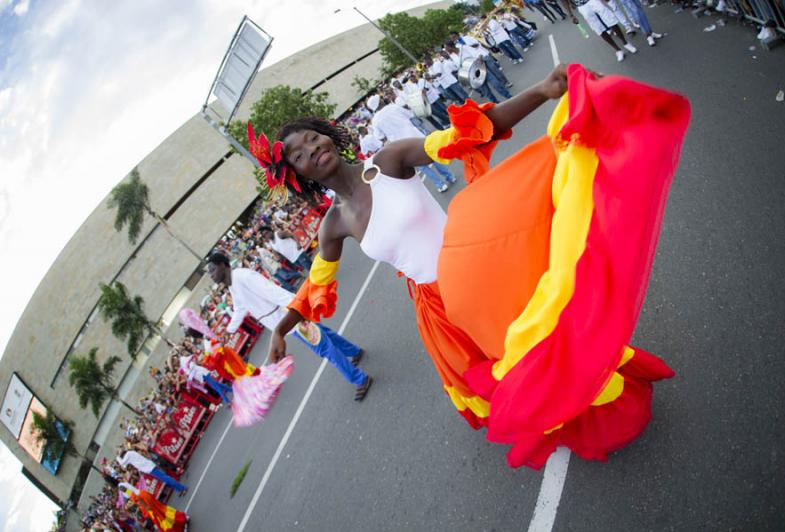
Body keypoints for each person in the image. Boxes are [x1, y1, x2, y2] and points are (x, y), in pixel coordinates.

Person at [254, 63, 690, 470]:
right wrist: (281, 327)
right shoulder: (333, 225)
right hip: (438, 309)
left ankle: (602, 413)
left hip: (479, 267)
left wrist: (542, 90)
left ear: (328, 135)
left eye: (313, 138)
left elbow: (470, 134)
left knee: (542, 348)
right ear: (295, 174)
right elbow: (316, 285)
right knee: (512, 371)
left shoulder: (388, 162)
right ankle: (565, 420)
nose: (312, 149)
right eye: (298, 154)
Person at [206, 251, 372, 402]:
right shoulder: (233, 286)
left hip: (290, 317)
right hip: (284, 323)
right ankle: (354, 351)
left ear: (223, 264)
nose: (211, 275)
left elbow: (272, 291)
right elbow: (239, 309)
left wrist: (297, 309)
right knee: (325, 335)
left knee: (324, 348)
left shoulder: (243, 277)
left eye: (212, 270)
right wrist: (228, 332)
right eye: (209, 273)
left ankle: (360, 379)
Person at [369, 94, 457, 193]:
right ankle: (449, 177)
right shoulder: (393, 107)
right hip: (415, 136)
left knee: (421, 166)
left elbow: (379, 137)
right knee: (432, 157)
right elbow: (411, 114)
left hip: (400, 146)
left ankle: (440, 184)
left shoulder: (375, 120)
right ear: (380, 103)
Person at [563, 0, 639, 61]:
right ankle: (618, 50)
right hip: (582, 7)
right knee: (598, 29)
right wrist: (571, 15)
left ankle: (626, 43)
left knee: (610, 20)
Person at [118, 481, 187, 532]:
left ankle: (178, 525)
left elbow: (137, 499)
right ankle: (181, 518)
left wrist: (146, 507)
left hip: (144, 500)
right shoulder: (125, 484)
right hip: (144, 495)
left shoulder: (126, 490)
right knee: (162, 509)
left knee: (159, 518)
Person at [116, 450, 187, 495]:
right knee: (165, 480)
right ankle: (179, 489)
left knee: (166, 478)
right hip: (148, 468)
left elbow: (122, 463)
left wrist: (117, 458)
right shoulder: (130, 453)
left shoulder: (128, 454)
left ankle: (182, 488)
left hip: (149, 468)